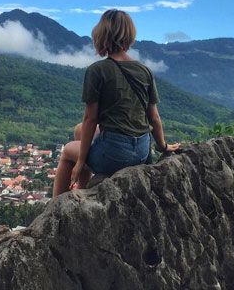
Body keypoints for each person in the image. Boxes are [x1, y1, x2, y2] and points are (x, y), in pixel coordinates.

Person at [52, 10, 180, 196]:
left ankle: (58, 207)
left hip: (114, 156)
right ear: (130, 36)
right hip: (142, 151)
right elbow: (154, 117)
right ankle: (84, 188)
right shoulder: (144, 70)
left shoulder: (97, 70)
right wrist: (163, 146)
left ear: (101, 35)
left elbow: (90, 118)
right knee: (79, 130)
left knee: (68, 150)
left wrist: (80, 161)